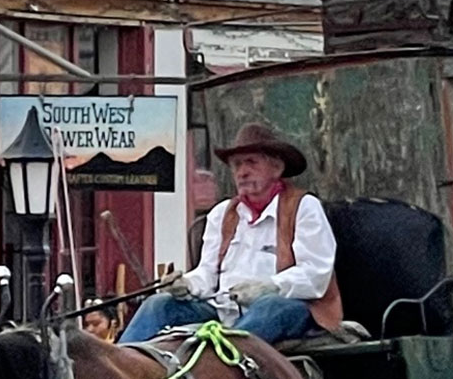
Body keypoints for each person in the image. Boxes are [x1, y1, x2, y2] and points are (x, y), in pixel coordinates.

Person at [119, 123, 339, 346]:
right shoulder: (221, 213)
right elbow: (207, 273)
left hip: (288, 307)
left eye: (251, 162)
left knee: (269, 306)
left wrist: (270, 286)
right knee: (159, 304)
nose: (242, 172)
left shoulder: (303, 206)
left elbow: (316, 274)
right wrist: (186, 284)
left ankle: (217, 364)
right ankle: (116, 369)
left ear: (276, 168)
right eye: (236, 165)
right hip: (222, 312)